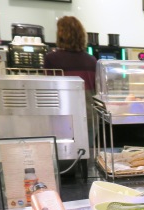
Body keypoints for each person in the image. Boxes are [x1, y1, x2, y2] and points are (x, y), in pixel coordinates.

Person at [44, 16, 97, 146]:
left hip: (62, 115)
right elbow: (97, 90)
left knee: (63, 154)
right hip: (88, 115)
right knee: (86, 154)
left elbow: (47, 90)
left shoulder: (52, 59)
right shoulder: (92, 60)